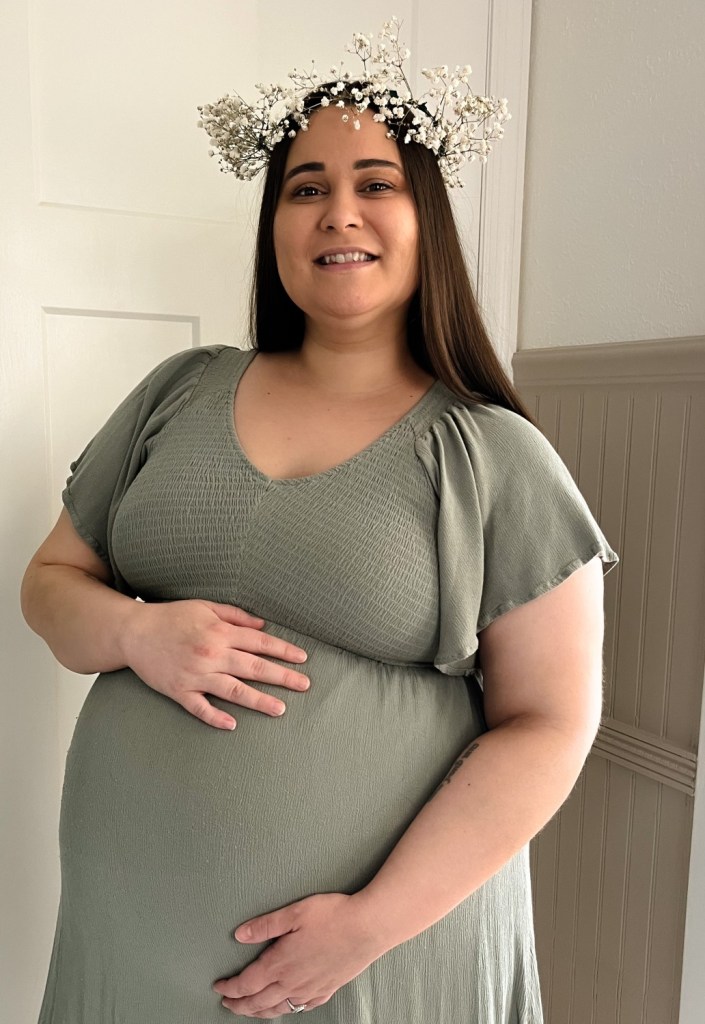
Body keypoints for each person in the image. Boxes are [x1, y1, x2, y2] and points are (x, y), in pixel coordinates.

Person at [22, 21, 619, 1023]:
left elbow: (552, 723)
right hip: (125, 938)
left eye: (375, 183)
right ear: (275, 224)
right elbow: (50, 585)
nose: (339, 211)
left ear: (425, 217)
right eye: (307, 187)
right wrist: (135, 630)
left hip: (376, 965)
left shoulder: (492, 454)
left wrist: (368, 924)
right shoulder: (180, 390)